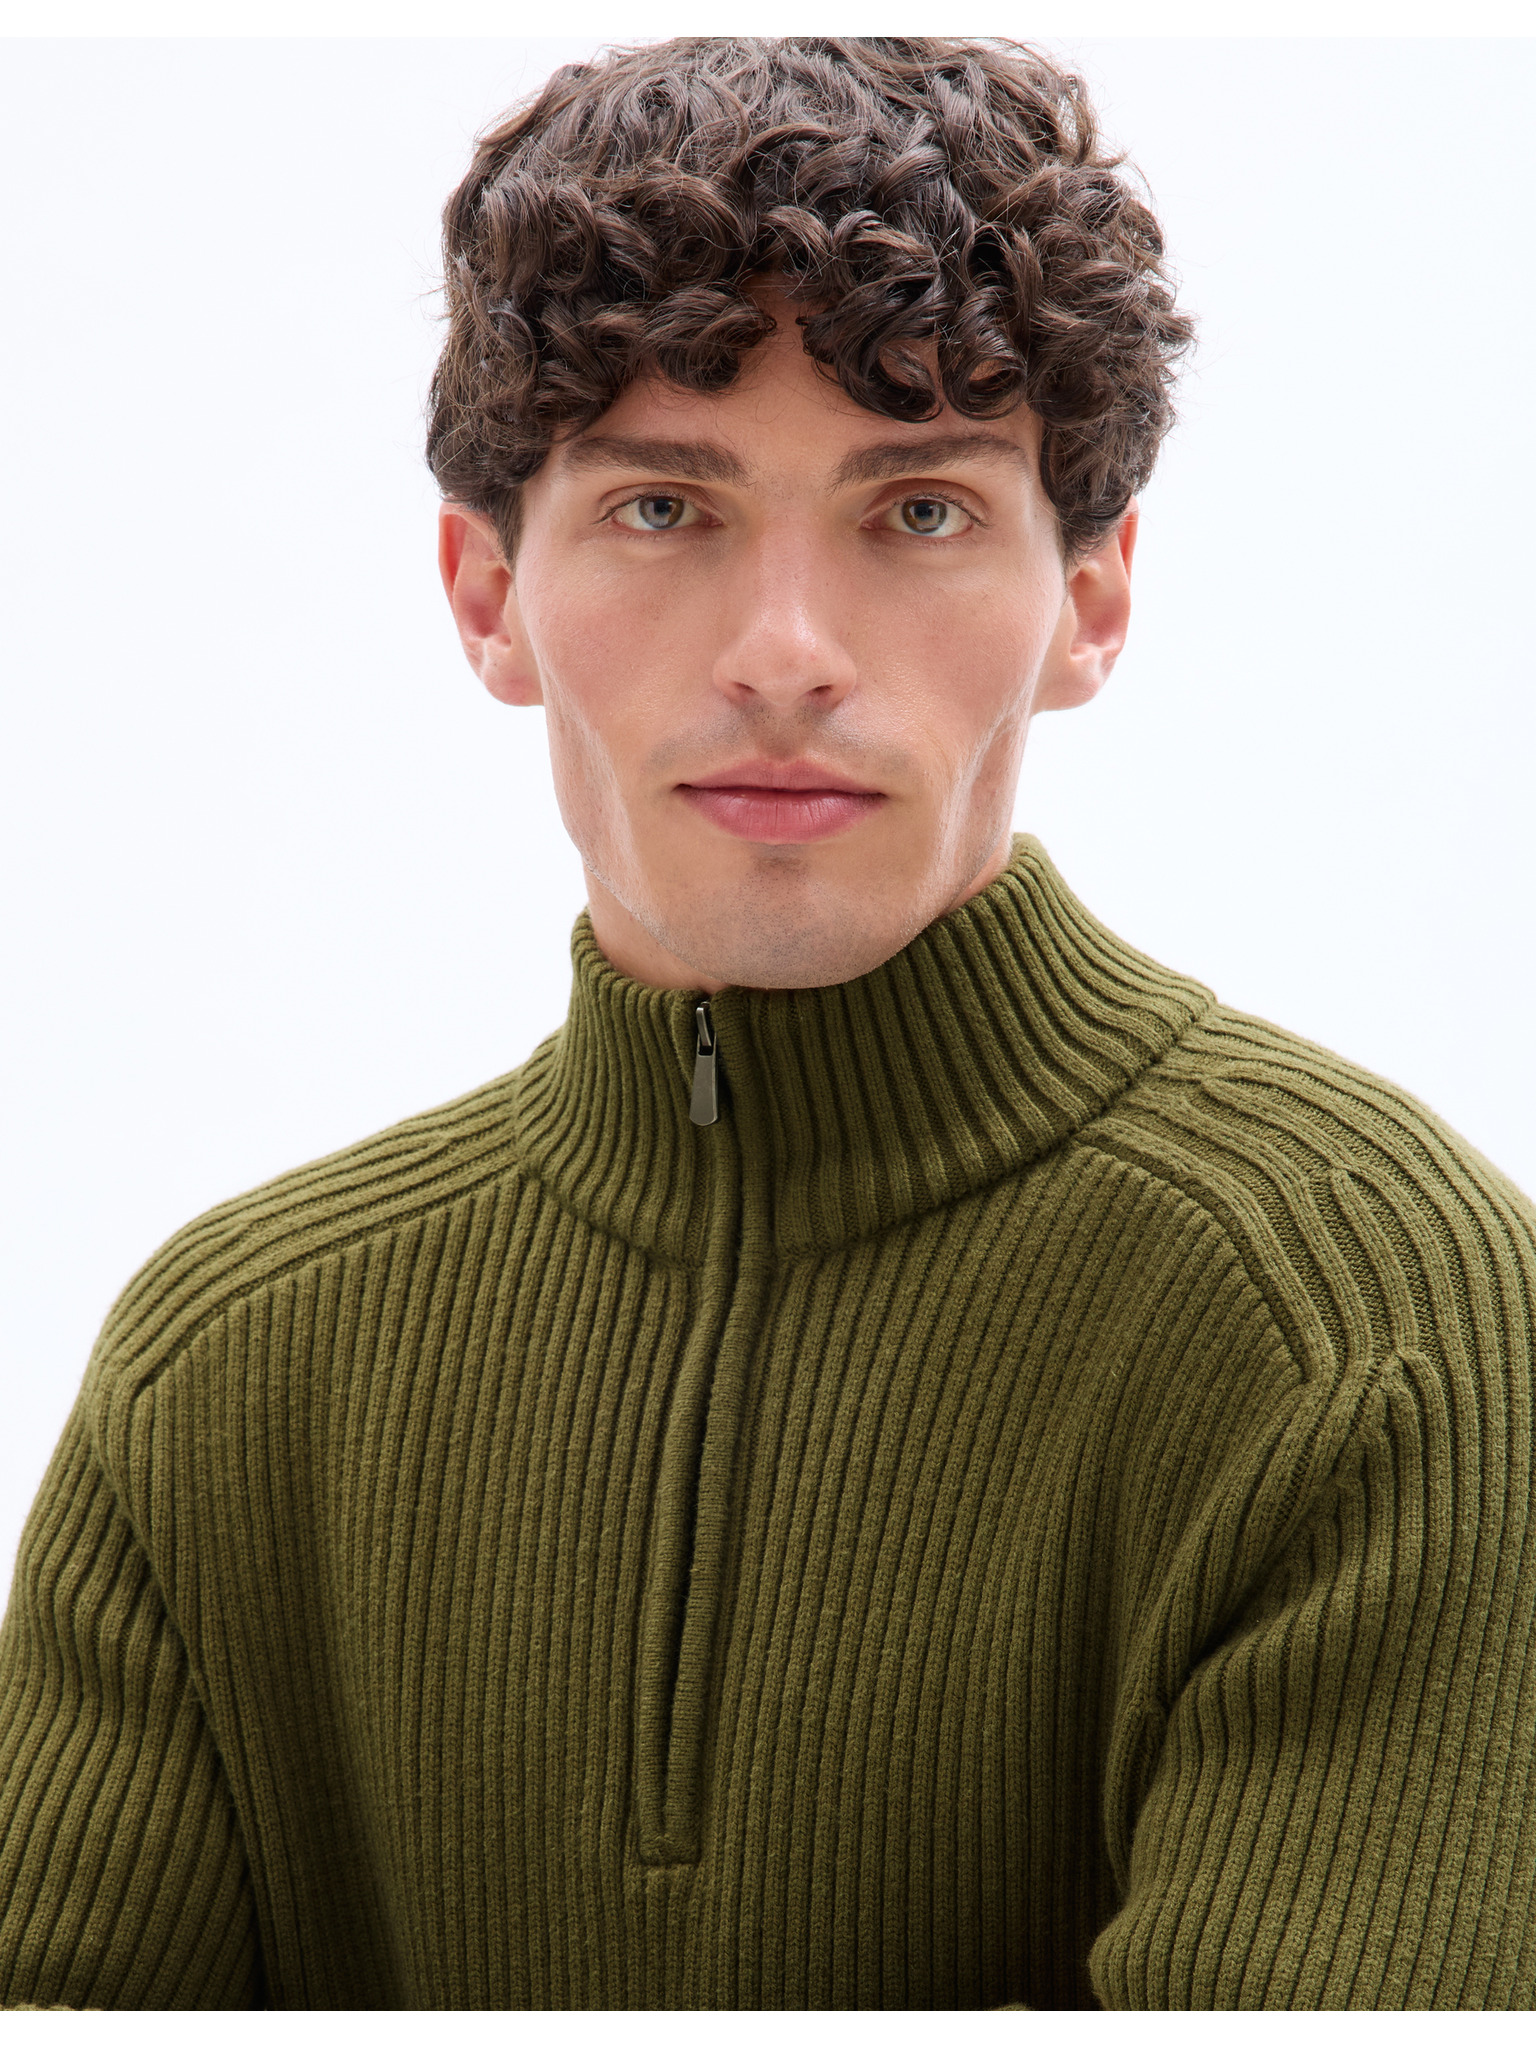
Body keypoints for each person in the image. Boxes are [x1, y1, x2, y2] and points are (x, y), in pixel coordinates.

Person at [1, 34, 1532, 2013]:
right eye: (664, 508)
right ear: (485, 592)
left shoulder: (1365, 1322)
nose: (787, 656)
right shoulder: (224, 1376)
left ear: (1091, 598)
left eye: (920, 514)